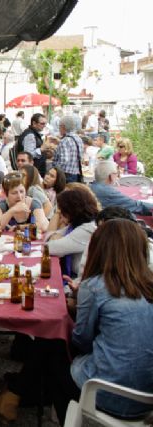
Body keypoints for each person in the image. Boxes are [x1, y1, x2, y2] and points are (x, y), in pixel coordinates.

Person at [71, 219, 153, 419]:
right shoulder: (148, 285)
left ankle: (67, 411)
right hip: (148, 396)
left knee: (57, 353)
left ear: (98, 249)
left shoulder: (95, 286)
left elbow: (81, 340)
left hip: (109, 393)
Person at [46, 185, 99, 278]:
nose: (60, 215)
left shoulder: (86, 229)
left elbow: (50, 248)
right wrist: (55, 237)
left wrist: (55, 237)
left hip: (81, 280)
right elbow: (48, 236)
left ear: (71, 211)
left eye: (62, 211)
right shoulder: (76, 225)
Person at [53, 115, 85, 183]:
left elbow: (64, 160)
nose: (59, 128)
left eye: (59, 126)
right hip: (76, 173)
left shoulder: (65, 140)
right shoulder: (78, 138)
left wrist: (54, 167)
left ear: (63, 126)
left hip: (65, 175)